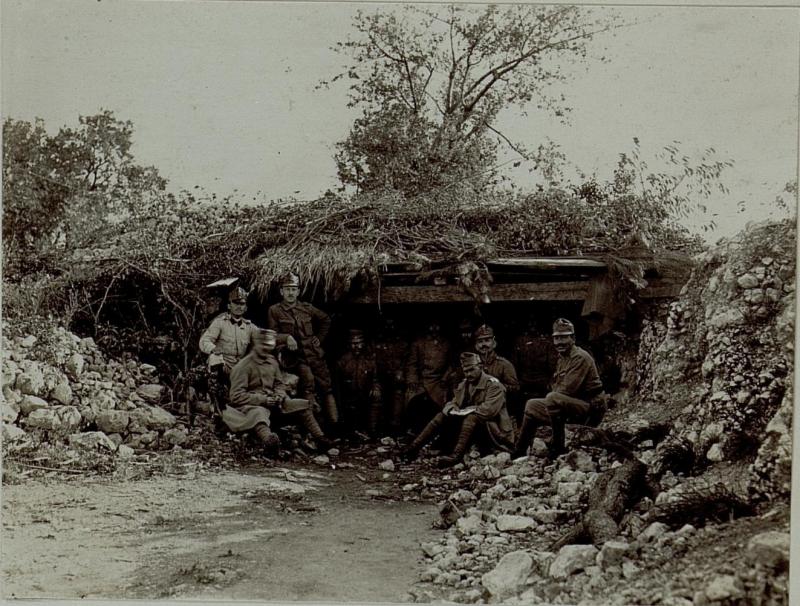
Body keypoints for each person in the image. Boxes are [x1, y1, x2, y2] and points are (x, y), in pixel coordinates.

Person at [512, 318, 608, 459]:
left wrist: (552, 398)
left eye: (563, 337)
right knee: (532, 405)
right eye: (556, 338)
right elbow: (556, 385)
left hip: (590, 409)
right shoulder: (563, 357)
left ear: (573, 338)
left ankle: (557, 446)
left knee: (552, 398)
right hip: (573, 405)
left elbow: (566, 390)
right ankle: (519, 450)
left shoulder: (580, 357)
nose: (559, 342)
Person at [227, 329, 333, 454]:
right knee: (258, 414)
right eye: (263, 345)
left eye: (269, 345)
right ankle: (269, 442)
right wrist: (264, 400)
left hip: (274, 403)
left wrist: (280, 395)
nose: (266, 348)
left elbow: (279, 384)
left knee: (301, 404)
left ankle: (320, 438)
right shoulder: (243, 366)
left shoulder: (272, 362)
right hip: (252, 405)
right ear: (255, 344)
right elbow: (236, 396)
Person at [401, 352, 514, 467]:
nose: (469, 374)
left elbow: (488, 411)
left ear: (480, 367)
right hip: (473, 429)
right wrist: (453, 408)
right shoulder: (465, 384)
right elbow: (453, 402)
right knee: (442, 415)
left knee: (472, 417)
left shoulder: (494, 385)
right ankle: (413, 449)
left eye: (472, 370)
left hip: (494, 432)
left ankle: (456, 456)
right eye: (466, 371)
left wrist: (466, 410)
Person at [267, 273, 338, 429]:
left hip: (314, 355)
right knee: (308, 384)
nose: (290, 293)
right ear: (281, 292)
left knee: (327, 387)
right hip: (296, 358)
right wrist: (286, 337)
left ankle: (335, 425)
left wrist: (319, 338)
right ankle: (314, 428)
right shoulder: (275, 310)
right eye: (287, 289)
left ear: (298, 291)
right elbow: (272, 335)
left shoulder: (306, 308)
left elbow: (326, 319)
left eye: (293, 289)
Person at [198, 286, 257, 416]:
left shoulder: (249, 327)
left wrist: (285, 338)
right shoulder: (220, 323)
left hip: (240, 368)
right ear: (229, 305)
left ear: (246, 307)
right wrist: (213, 348)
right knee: (214, 359)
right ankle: (216, 405)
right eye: (235, 303)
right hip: (224, 366)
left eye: (242, 304)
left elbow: (264, 339)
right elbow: (204, 341)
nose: (239, 307)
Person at [404, 321, 453, 431]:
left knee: (440, 402)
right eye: (431, 326)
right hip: (421, 380)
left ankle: (436, 430)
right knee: (413, 400)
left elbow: (451, 365)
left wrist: (445, 378)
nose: (434, 329)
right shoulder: (418, 343)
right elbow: (412, 364)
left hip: (438, 381)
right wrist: (412, 379)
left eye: (437, 326)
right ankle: (414, 429)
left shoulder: (446, 343)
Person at [334, 329, 382, 440]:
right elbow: (337, 384)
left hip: (364, 394)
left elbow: (376, 378)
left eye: (359, 343)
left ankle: (372, 430)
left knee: (376, 396)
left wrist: (376, 387)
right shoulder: (343, 361)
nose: (356, 346)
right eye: (353, 343)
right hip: (348, 397)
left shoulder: (369, 359)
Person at [373, 317, 408, 436]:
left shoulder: (402, 343)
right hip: (381, 379)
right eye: (387, 325)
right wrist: (375, 382)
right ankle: (377, 429)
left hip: (397, 380)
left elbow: (407, 361)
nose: (389, 327)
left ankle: (395, 428)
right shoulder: (377, 343)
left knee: (398, 397)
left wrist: (401, 372)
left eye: (392, 324)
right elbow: (373, 363)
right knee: (378, 398)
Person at [474, 324, 520, 395]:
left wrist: (496, 386)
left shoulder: (504, 364)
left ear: (494, 343)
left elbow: (515, 388)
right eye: (480, 341)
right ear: (476, 345)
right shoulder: (472, 364)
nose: (483, 344)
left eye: (487, 340)